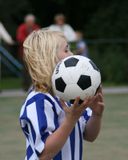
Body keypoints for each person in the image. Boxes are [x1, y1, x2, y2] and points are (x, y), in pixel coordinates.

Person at [19, 29, 104, 160]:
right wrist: (71, 120)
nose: (72, 54)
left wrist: (97, 115)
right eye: (66, 50)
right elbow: (44, 154)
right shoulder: (38, 101)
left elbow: (89, 135)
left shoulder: (71, 94)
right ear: (48, 58)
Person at [16, 14, 40, 91]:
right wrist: (31, 40)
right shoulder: (21, 28)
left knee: (35, 69)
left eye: (32, 21)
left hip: (35, 53)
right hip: (24, 53)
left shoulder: (36, 27)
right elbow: (20, 39)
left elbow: (40, 38)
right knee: (25, 70)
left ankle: (35, 85)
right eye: (30, 22)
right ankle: (25, 86)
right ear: (26, 22)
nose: (31, 23)